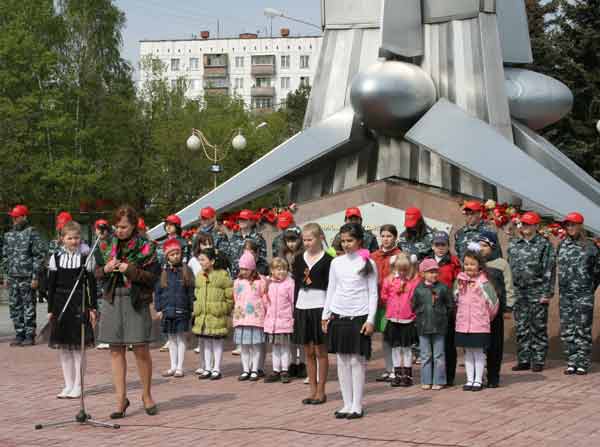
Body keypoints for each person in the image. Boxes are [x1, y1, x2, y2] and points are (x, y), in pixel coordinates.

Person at [96, 205, 159, 418]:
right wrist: (105, 269)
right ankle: (120, 399)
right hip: (113, 299)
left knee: (140, 348)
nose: (119, 230)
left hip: (136, 300)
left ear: (134, 225)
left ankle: (147, 395)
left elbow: (152, 278)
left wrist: (130, 270)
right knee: (115, 350)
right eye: (117, 226)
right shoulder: (105, 244)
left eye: (124, 226)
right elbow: (94, 272)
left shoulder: (147, 246)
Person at [323, 223, 378, 419]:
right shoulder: (336, 263)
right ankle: (346, 403)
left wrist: (371, 320)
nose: (346, 244)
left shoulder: (368, 263)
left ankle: (357, 404)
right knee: (342, 360)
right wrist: (325, 314)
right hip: (339, 315)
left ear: (359, 241)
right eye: (343, 241)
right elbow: (331, 289)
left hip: (359, 316)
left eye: (350, 241)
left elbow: (373, 293)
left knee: (356, 360)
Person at [47, 221, 98, 399]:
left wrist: (93, 308)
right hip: (61, 302)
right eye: (69, 238)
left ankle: (78, 385)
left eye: (76, 238)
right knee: (64, 348)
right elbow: (51, 285)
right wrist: (50, 308)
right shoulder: (56, 258)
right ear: (62, 239)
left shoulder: (86, 257)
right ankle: (67, 384)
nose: (73, 241)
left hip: (79, 302)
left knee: (78, 347)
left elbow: (91, 284)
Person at [507, 212, 554, 373]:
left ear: (536, 226)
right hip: (519, 291)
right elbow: (509, 268)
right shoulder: (514, 243)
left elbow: (549, 270)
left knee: (538, 327)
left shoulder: (544, 244)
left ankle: (538, 360)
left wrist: (546, 293)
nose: (525, 227)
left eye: (528, 224)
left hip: (537, 291)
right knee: (521, 326)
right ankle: (524, 359)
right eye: (523, 224)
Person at [292, 223, 333, 404]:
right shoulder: (299, 259)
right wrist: (294, 308)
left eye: (310, 239)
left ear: (320, 238)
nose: (307, 243)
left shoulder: (328, 260)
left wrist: (328, 312)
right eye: (305, 240)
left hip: (320, 306)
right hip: (302, 306)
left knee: (320, 350)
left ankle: (322, 391)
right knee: (307, 351)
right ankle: (312, 390)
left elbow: (331, 287)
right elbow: (296, 284)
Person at [556, 212, 600, 375]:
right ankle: (571, 361)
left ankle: (582, 362)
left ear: (580, 226)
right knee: (568, 329)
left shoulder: (590, 246)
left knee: (582, 328)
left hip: (583, 295)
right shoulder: (562, 245)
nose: (570, 228)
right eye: (567, 225)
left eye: (573, 224)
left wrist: (588, 288)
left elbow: (597, 271)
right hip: (565, 295)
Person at [454, 247, 499, 392]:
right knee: (468, 352)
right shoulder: (459, 281)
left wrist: (485, 317)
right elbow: (455, 299)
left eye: (472, 264)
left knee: (478, 353)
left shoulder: (484, 283)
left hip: (479, 324)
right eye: (466, 264)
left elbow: (494, 304)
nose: (469, 267)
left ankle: (478, 380)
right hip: (463, 324)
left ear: (479, 265)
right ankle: (469, 379)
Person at [1, 204, 44, 346]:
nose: (14, 220)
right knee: (15, 306)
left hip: (27, 277)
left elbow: (38, 256)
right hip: (13, 277)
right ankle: (19, 333)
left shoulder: (32, 233)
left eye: (17, 217)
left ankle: (29, 335)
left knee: (28, 306)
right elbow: (5, 256)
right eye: (13, 218)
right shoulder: (8, 235)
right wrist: (6, 276)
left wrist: (35, 277)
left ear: (24, 217)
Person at [154, 239, 195, 378]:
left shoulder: (186, 270)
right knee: (171, 339)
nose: (176, 256)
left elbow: (191, 291)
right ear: (167, 257)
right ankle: (172, 366)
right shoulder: (163, 272)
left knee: (181, 338)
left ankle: (180, 367)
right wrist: (159, 308)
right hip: (167, 310)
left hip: (182, 310)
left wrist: (192, 307)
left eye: (177, 253)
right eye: (172, 254)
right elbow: (158, 292)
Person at [478, 230, 514, 387]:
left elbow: (509, 286)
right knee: (479, 346)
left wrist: (508, 308)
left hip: (495, 312)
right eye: (479, 245)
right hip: (478, 312)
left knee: (495, 345)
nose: (481, 248)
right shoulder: (475, 262)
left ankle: (493, 377)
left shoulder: (502, 264)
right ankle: (477, 377)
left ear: (492, 246)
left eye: (484, 245)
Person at [380, 252, 421, 387]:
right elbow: (384, 296)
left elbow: (416, 299)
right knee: (395, 348)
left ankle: (407, 375)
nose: (402, 272)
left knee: (406, 348)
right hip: (393, 319)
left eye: (405, 269)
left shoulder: (414, 282)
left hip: (407, 319)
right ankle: (397, 374)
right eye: (399, 269)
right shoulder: (389, 280)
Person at [425, 231, 460, 385]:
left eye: (443, 244)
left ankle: (449, 377)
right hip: (429, 310)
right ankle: (434, 376)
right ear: (432, 246)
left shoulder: (454, 262)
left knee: (448, 345)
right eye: (437, 244)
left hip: (447, 309)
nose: (440, 247)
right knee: (430, 346)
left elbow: (458, 283)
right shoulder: (426, 261)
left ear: (448, 245)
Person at [192, 248, 233, 380]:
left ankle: (217, 368)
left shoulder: (222, 275)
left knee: (217, 342)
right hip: (203, 315)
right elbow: (197, 293)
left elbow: (229, 295)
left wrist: (224, 308)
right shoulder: (199, 275)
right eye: (200, 260)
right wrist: (197, 307)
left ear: (212, 261)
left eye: (203, 260)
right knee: (206, 342)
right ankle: (207, 368)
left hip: (217, 314)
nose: (201, 263)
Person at [412, 259, 453, 390]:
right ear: (423, 273)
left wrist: (443, 315)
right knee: (425, 355)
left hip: (439, 326)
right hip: (423, 326)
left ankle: (439, 380)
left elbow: (450, 305)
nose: (434, 275)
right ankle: (426, 380)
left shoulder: (443, 288)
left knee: (439, 355)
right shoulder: (418, 289)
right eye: (430, 272)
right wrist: (420, 314)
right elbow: (413, 305)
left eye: (436, 272)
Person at [370, 224, 402, 383]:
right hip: (378, 301)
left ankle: (397, 369)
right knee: (384, 337)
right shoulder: (373, 256)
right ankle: (388, 368)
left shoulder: (399, 255)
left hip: (394, 302)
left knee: (393, 336)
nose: (386, 239)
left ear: (395, 237)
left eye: (389, 236)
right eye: (383, 236)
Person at [233, 251, 267, 381]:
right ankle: (245, 369)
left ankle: (255, 369)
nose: (243, 271)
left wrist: (265, 311)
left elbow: (264, 297)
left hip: (255, 319)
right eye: (241, 268)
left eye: (246, 269)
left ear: (252, 268)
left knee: (256, 346)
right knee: (244, 347)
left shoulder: (260, 282)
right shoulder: (237, 282)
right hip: (242, 318)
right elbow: (236, 297)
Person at [263, 257, 295, 383]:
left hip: (285, 321)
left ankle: (285, 370)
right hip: (272, 322)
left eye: (283, 269)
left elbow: (292, 301)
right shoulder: (269, 283)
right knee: (275, 348)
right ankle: (276, 370)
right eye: (278, 269)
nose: (281, 272)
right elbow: (265, 300)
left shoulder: (289, 283)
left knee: (285, 347)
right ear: (272, 270)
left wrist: (292, 317)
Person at [229, 209, 268, 278]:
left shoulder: (258, 239)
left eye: (244, 219)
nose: (241, 221)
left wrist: (256, 276)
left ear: (252, 221)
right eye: (240, 219)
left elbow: (262, 260)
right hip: (236, 277)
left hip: (251, 277)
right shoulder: (234, 237)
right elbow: (230, 258)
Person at [94, 219, 112, 350]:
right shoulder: (93, 245)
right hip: (99, 281)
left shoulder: (114, 243)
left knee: (111, 310)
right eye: (99, 229)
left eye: (104, 229)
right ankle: (104, 338)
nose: (101, 232)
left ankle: (113, 337)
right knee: (101, 309)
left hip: (111, 280)